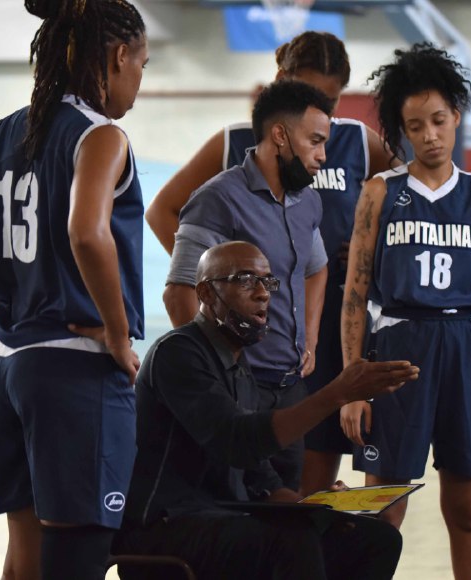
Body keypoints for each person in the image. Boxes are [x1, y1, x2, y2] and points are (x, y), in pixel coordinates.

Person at [150, 31, 396, 495]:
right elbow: (163, 213)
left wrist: (372, 247)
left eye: (331, 98)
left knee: (303, 478)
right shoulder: (234, 150)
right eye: (309, 92)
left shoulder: (354, 146)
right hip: (249, 338)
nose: (320, 105)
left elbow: (408, 199)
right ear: (282, 83)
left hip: (321, 331)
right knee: (243, 479)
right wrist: (221, 284)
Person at [114, 240, 419, 580]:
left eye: (268, 282)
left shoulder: (240, 369)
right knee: (292, 542)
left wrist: (319, 507)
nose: (263, 294)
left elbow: (263, 480)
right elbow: (237, 439)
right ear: (206, 293)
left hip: (226, 516)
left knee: (375, 538)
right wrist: (337, 393)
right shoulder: (179, 353)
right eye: (246, 280)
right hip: (164, 526)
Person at [339, 43, 471, 580]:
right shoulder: (379, 193)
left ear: (456, 117)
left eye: (438, 121)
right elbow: (355, 292)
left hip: (469, 349)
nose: (429, 135)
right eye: (415, 125)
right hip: (399, 348)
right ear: (402, 129)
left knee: (467, 511)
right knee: (382, 511)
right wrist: (353, 386)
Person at [0, 1, 147, 578]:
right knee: (78, 554)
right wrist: (114, 328)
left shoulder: (4, 133)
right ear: (118, 55)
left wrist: (18, 290)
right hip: (72, 370)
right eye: (142, 66)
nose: (137, 84)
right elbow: (88, 233)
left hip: (5, 364)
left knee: (23, 550)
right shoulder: (101, 135)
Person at [163, 78, 333, 495]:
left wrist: (308, 336)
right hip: (239, 395)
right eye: (314, 141)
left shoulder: (307, 201)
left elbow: (317, 268)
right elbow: (180, 289)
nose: (322, 156)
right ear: (279, 135)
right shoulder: (218, 199)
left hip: (290, 389)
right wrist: (215, 376)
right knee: (238, 519)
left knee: (285, 522)